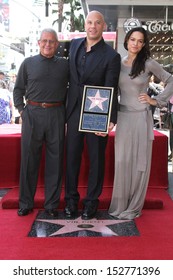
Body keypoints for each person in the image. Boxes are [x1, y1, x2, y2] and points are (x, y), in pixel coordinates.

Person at [108, 27, 173, 220]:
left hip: (141, 118)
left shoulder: (148, 63)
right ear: (126, 41)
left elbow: (171, 80)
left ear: (143, 44)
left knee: (139, 163)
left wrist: (157, 101)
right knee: (121, 161)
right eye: (132, 39)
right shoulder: (118, 64)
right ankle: (120, 204)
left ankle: (133, 206)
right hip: (124, 118)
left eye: (140, 41)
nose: (135, 43)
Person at [64, 10, 121, 220]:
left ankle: (91, 203)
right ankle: (71, 201)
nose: (93, 26)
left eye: (97, 23)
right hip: (72, 112)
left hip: (96, 112)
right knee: (71, 159)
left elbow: (112, 88)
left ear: (103, 26)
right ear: (85, 25)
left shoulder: (111, 56)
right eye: (89, 22)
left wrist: (109, 119)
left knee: (96, 160)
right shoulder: (75, 45)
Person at [13, 28, 69, 217]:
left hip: (57, 114)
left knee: (56, 161)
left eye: (52, 41)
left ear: (57, 44)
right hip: (32, 114)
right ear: (38, 43)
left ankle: (51, 205)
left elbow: (74, 90)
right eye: (44, 41)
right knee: (29, 160)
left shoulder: (64, 65)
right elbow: (18, 89)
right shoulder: (28, 63)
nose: (47, 44)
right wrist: (22, 110)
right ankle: (25, 202)